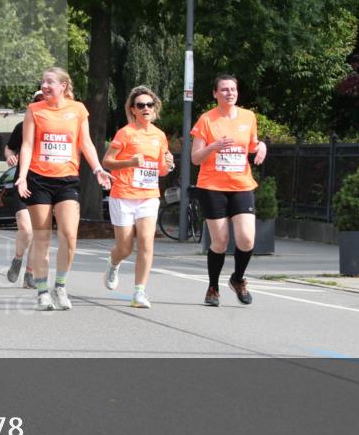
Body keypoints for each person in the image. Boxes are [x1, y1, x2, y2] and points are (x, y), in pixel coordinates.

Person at [15, 67, 112, 311]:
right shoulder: (34, 110)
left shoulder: (78, 110)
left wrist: (97, 168)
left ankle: (60, 286)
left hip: (67, 179)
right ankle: (42, 291)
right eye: (43, 82)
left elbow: (85, 142)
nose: (45, 86)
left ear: (63, 86)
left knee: (69, 235)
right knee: (42, 238)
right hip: (39, 180)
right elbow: (27, 145)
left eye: (50, 82)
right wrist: (23, 176)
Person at [190, 74, 267, 307]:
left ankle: (238, 279)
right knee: (220, 241)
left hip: (241, 185)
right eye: (224, 89)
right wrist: (213, 146)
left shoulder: (248, 116)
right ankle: (213, 288)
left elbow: (252, 145)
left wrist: (262, 146)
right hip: (212, 187)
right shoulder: (206, 120)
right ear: (215, 93)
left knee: (247, 239)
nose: (229, 93)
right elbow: (195, 158)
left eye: (233, 89)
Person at [102, 86, 174, 308]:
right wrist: (130, 162)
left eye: (149, 105)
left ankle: (139, 292)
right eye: (140, 105)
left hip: (148, 196)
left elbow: (161, 170)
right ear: (133, 110)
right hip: (123, 195)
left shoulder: (159, 135)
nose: (145, 108)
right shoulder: (125, 133)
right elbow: (107, 161)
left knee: (146, 242)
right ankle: (114, 262)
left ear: (154, 108)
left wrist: (169, 165)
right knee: (125, 248)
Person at [3, 90, 45, 288]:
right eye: (37, 101)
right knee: (26, 230)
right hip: (22, 182)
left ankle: (29, 274)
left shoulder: (57, 126)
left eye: (44, 100)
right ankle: (18, 258)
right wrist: (9, 156)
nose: (41, 103)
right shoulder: (23, 126)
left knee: (39, 233)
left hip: (43, 185)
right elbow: (9, 147)